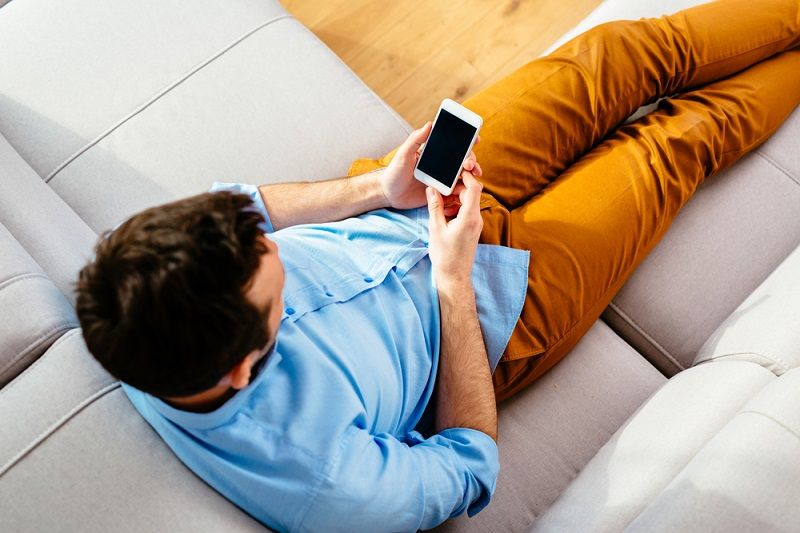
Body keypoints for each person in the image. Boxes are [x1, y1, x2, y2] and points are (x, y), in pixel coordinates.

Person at [75, 0, 800, 531]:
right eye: (279, 284)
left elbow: (245, 204)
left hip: (402, 204)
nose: (278, 254)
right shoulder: (327, 487)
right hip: (497, 308)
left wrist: (375, 189)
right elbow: (468, 466)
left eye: (266, 248)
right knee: (680, 139)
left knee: (618, 56)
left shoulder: (129, 281)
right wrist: (453, 283)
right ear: (240, 370)